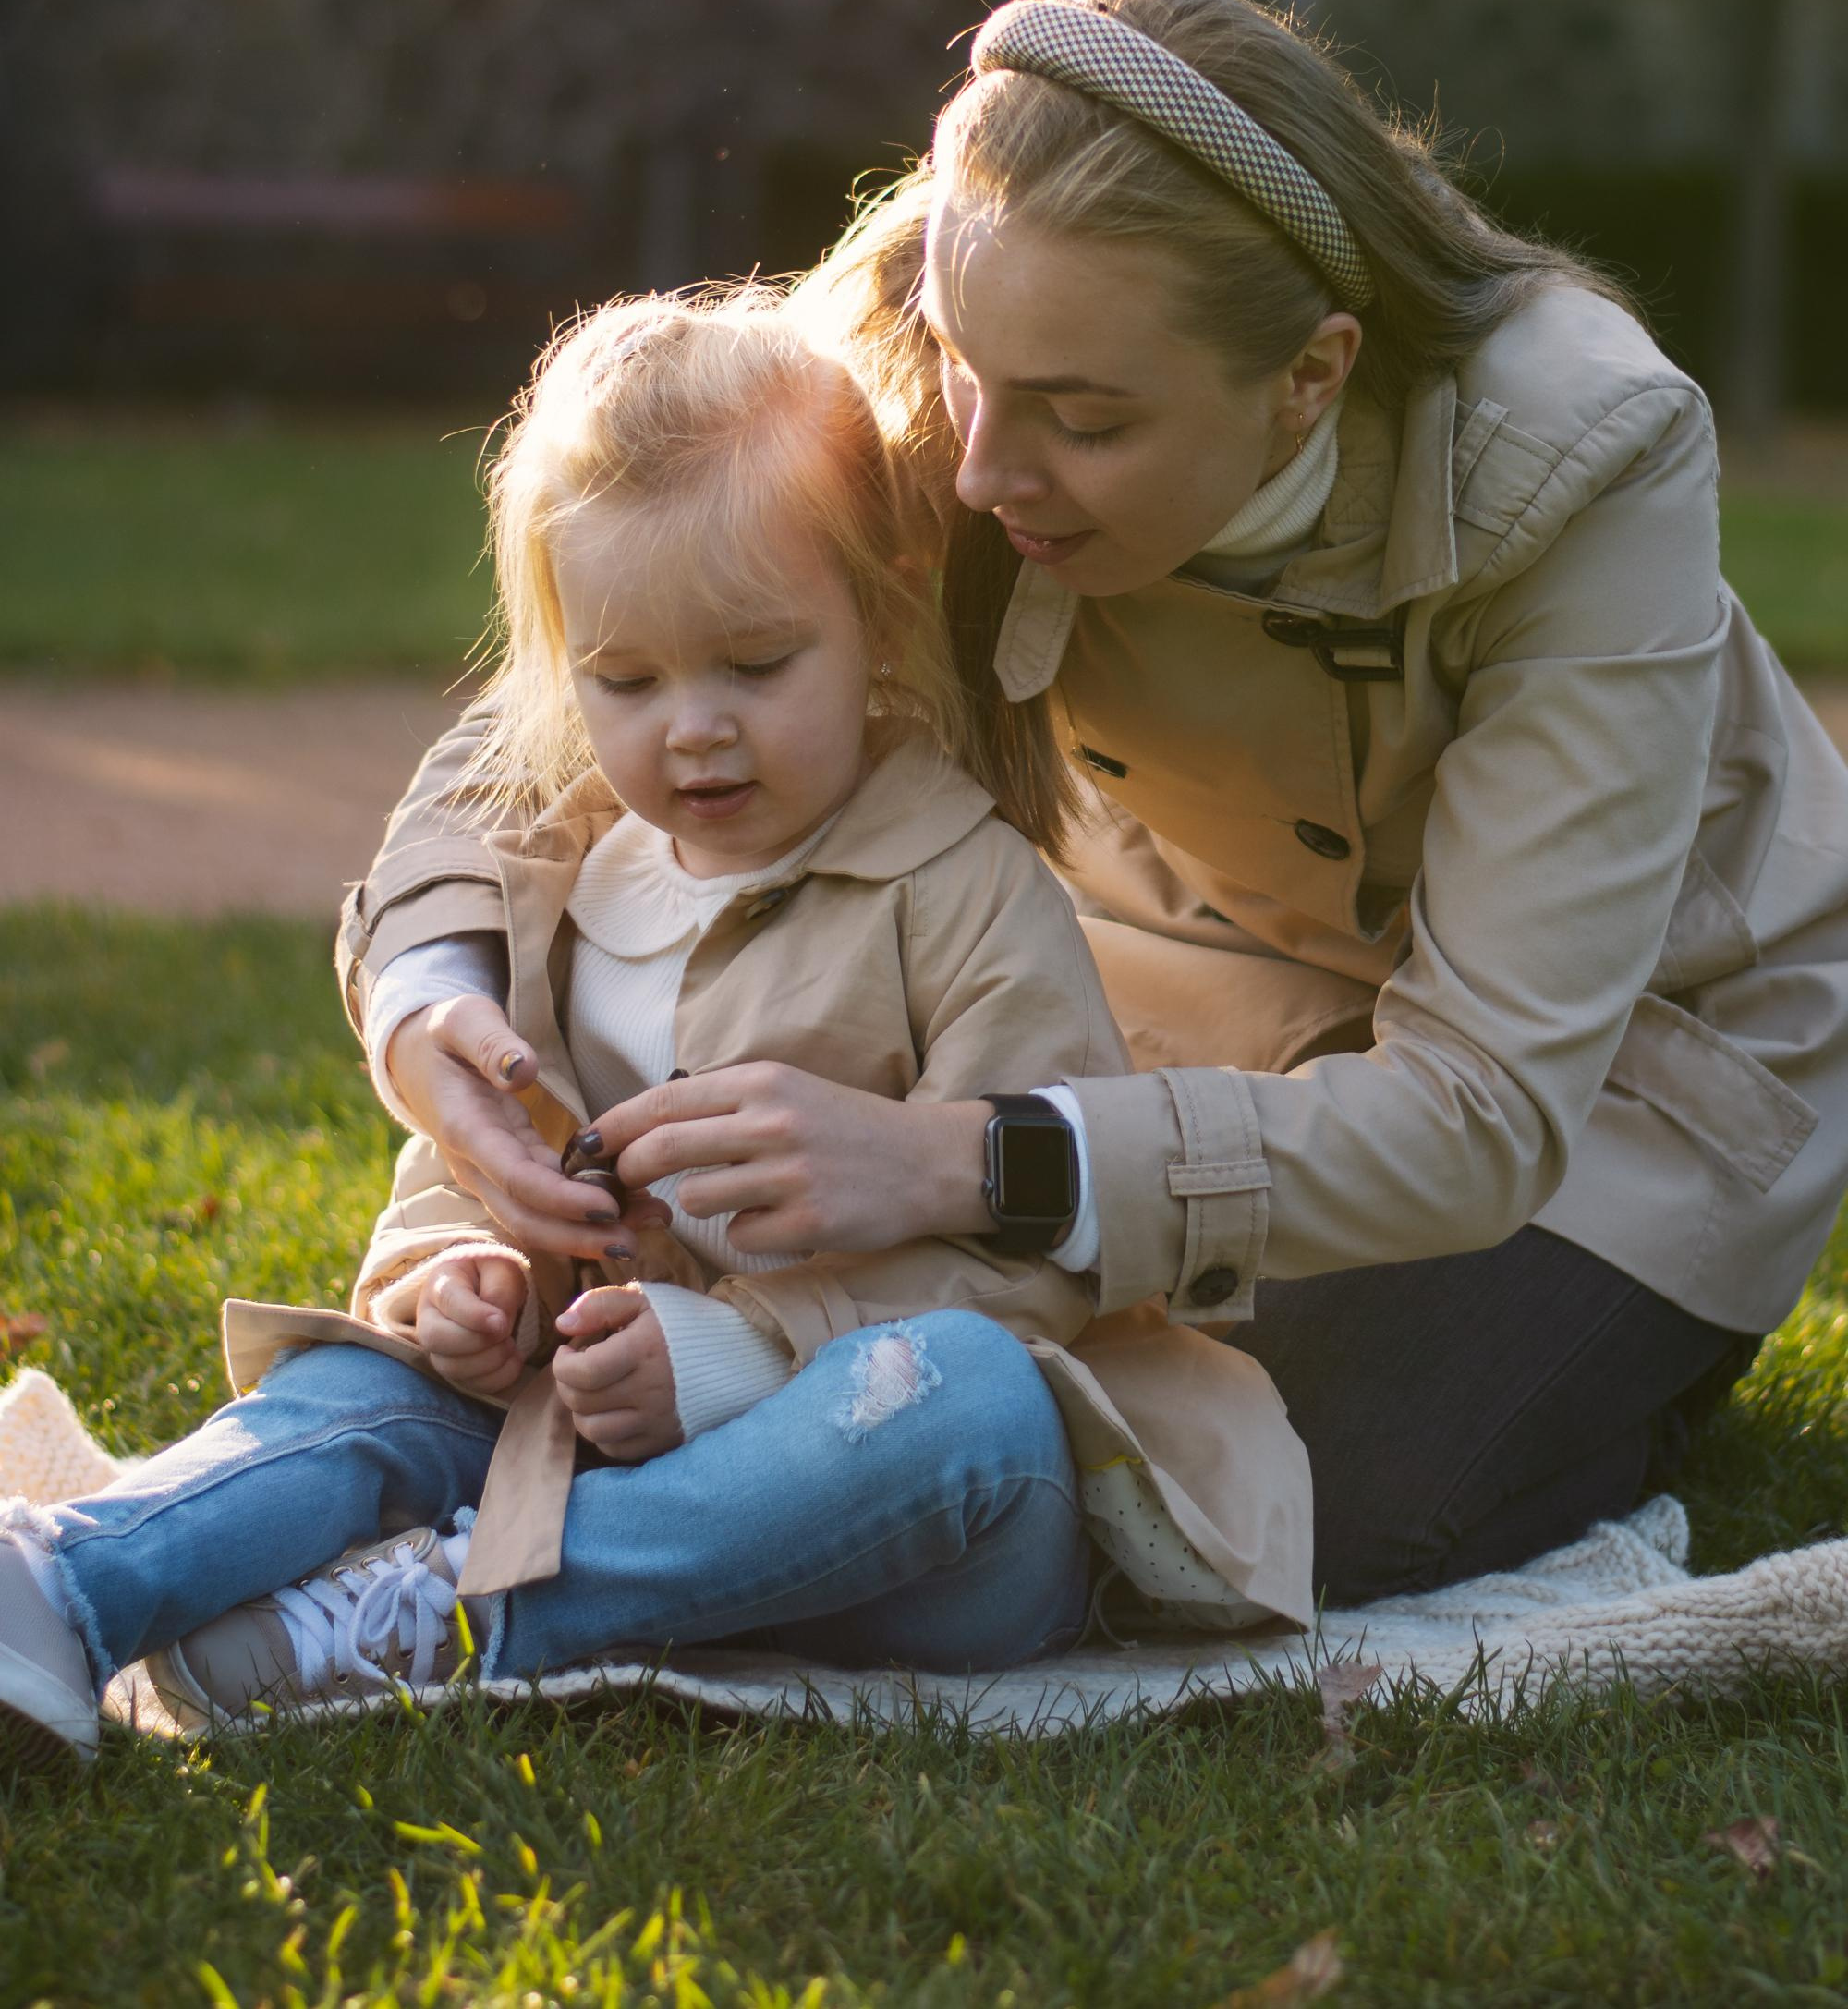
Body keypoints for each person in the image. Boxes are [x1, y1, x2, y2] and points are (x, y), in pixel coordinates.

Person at [344, 0, 1848, 1613]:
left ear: (1312, 375)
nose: (980, 469)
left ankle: (1627, 1363)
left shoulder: (1587, 456)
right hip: (1199, 1011)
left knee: (1302, 1508)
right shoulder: (955, 322)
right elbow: (582, 690)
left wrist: (964, 1165)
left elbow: (1485, 1107)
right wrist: (428, 993)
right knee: (1136, 1438)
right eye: (975, 378)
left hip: (1639, 1065)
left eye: (1088, 421)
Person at [0, 286, 1309, 1773]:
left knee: (972, 1403)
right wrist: (464, 1280)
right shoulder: (561, 867)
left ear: (872, 615)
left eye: (757, 666)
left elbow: (1021, 1255)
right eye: (626, 682)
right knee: (356, 1386)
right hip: (571, 1423)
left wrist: (737, 1352)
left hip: (894, 1505)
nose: (692, 727)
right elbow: (484, 1140)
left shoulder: (961, 888)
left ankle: (459, 1615)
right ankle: (66, 1584)